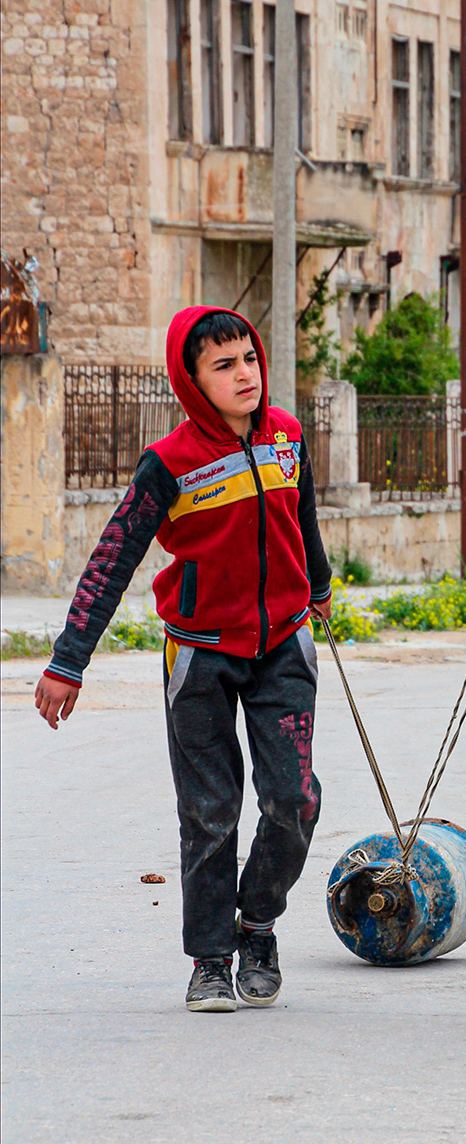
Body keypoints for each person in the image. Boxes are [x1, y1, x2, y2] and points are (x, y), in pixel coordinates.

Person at [34, 307, 333, 1013]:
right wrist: (68, 662)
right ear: (192, 382)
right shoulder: (168, 464)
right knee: (209, 813)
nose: (245, 375)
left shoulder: (287, 437)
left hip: (284, 643)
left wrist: (317, 588)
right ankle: (211, 959)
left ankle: (257, 923)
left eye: (249, 359)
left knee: (294, 801)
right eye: (224, 365)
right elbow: (112, 559)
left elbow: (304, 518)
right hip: (198, 655)